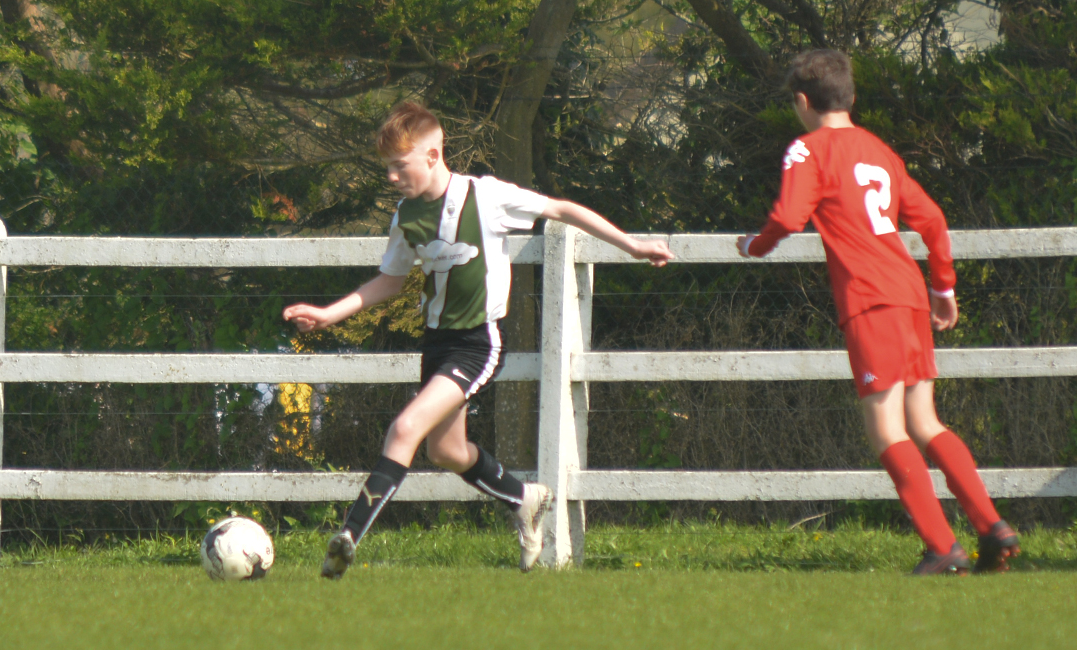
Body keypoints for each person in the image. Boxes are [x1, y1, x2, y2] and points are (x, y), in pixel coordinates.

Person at [284, 101, 673, 579]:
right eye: (386, 166)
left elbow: (560, 208)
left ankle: (347, 537)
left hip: (479, 343)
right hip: (437, 344)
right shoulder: (406, 215)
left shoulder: (485, 196)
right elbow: (389, 282)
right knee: (445, 452)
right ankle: (524, 498)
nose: (390, 176)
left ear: (432, 155)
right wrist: (328, 315)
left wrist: (632, 246)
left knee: (405, 429)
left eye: (398, 165)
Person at [736, 50, 1020, 575]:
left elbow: (788, 217)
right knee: (925, 421)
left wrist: (754, 245)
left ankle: (942, 547)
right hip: (909, 292)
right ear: (850, 97)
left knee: (887, 430)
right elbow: (932, 219)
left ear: (802, 101)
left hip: (869, 300)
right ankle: (992, 527)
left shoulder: (807, 150)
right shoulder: (879, 150)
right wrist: (944, 288)